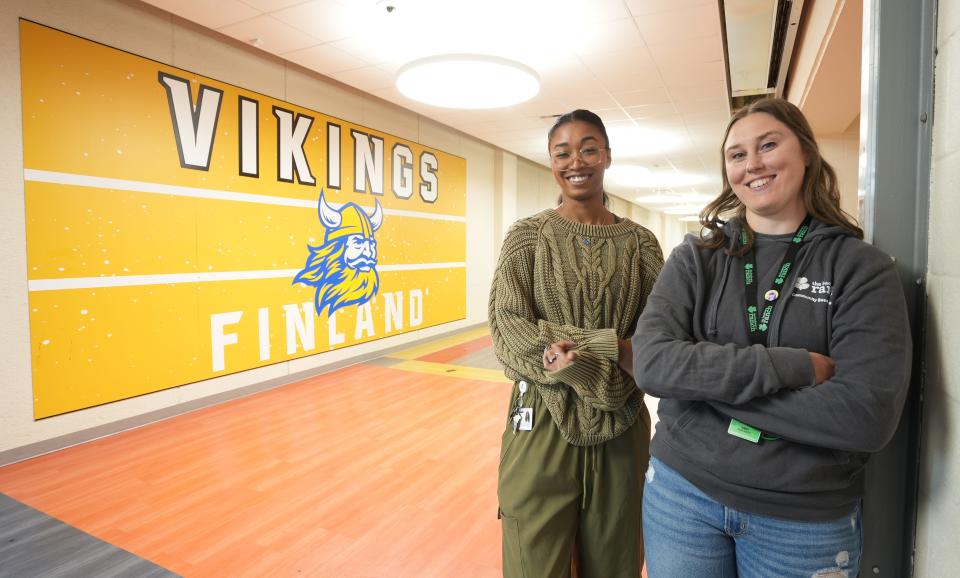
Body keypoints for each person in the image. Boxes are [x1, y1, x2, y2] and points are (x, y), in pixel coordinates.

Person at [631, 97, 912, 577]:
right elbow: (653, 363)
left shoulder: (859, 268)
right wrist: (794, 368)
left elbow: (865, 416)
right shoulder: (696, 257)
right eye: (737, 154)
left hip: (802, 517)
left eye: (767, 145)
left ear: (805, 152)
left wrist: (701, 387)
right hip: (683, 494)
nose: (752, 164)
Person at [489, 109, 663, 578]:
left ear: (606, 155)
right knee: (534, 563)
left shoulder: (642, 245)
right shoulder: (527, 238)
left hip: (621, 423)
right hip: (541, 424)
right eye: (561, 152)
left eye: (588, 148)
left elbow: (658, 340)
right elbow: (507, 329)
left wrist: (580, 355)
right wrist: (610, 349)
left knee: (617, 562)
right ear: (551, 162)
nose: (576, 161)